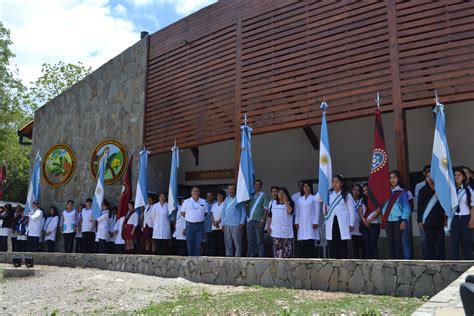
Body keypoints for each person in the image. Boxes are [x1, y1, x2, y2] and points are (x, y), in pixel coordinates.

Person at [323, 175, 355, 259]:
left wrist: (351, 223)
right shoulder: (329, 194)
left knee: (342, 242)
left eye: (337, 182)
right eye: (333, 182)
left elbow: (352, 210)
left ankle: (342, 260)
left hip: (342, 221)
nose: (335, 184)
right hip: (331, 221)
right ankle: (334, 260)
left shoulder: (347, 195)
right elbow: (325, 208)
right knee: (332, 242)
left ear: (341, 183)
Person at [381, 171, 411, 259]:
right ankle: (391, 262)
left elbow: (406, 208)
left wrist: (404, 220)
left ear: (398, 179)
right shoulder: (385, 192)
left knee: (398, 242)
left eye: (394, 177)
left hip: (398, 220)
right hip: (388, 220)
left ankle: (398, 263)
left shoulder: (402, 192)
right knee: (390, 242)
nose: (392, 180)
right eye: (390, 178)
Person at [417, 170, 446, 260]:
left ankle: (442, 260)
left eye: (431, 176)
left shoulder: (441, 188)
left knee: (440, 242)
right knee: (430, 242)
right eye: (427, 176)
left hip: (440, 220)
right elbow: (420, 206)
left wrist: (446, 219)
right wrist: (419, 220)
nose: (429, 178)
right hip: (427, 221)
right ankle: (433, 261)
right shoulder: (422, 190)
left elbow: (445, 204)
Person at [450, 167, 474, 260]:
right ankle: (455, 263)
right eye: (455, 175)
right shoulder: (450, 191)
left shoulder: (469, 190)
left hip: (465, 218)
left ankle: (468, 263)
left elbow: (472, 206)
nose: (456, 177)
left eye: (459, 175)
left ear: (463, 177)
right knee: (454, 242)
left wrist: (472, 220)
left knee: (467, 242)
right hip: (454, 218)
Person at [294, 181, 320, 258]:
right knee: (303, 241)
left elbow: (317, 210)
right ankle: (304, 257)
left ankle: (312, 257)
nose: (306, 188)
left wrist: (316, 221)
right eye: (304, 186)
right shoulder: (300, 199)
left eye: (307, 186)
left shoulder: (314, 198)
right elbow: (297, 212)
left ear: (310, 188)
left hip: (311, 222)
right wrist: (296, 222)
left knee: (310, 241)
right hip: (302, 223)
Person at [268, 187, 294, 258]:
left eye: (283, 193)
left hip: (286, 231)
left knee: (286, 253)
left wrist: (286, 202)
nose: (281, 194)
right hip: (275, 231)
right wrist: (268, 226)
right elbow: (270, 216)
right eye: (279, 193)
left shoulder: (290, 202)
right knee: (276, 252)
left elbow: (290, 211)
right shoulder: (273, 203)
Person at [221, 184, 246, 257]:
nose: (231, 191)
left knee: (237, 244)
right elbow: (223, 212)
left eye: (232, 189)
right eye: (229, 189)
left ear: (235, 190)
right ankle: (229, 257)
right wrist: (222, 223)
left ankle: (237, 258)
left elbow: (243, 212)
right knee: (228, 243)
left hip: (236, 224)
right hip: (227, 224)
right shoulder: (226, 199)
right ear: (228, 190)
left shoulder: (239, 199)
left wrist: (241, 223)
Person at [181, 186, 207, 256]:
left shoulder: (203, 201)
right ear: (191, 192)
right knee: (190, 242)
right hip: (190, 224)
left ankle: (197, 259)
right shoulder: (186, 201)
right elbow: (182, 213)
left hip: (200, 225)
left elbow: (205, 213)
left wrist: (198, 218)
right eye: (194, 191)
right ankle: (191, 257)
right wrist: (189, 218)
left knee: (198, 242)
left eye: (197, 191)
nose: (196, 192)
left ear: (199, 192)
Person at [246, 180, 269, 257]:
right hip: (250, 221)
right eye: (255, 184)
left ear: (261, 186)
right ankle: (250, 256)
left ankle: (261, 256)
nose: (256, 186)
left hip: (258, 221)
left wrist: (262, 220)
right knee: (250, 240)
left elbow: (266, 209)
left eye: (258, 184)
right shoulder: (251, 196)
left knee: (260, 240)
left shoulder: (263, 195)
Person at [414, 165, 431, 260]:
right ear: (424, 174)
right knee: (424, 240)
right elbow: (418, 202)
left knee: (435, 240)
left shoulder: (438, 184)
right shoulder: (419, 186)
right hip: (424, 216)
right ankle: (426, 259)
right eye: (427, 173)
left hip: (435, 217)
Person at [360, 184, 381, 259]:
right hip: (364, 225)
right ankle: (368, 261)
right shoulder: (362, 200)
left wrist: (369, 220)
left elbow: (378, 211)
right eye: (364, 190)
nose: (365, 192)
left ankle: (375, 261)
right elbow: (360, 211)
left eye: (366, 189)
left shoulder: (376, 199)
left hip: (374, 224)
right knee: (367, 244)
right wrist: (364, 220)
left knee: (373, 244)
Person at [351, 184, 365, 259]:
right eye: (355, 189)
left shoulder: (362, 200)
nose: (356, 192)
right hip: (353, 227)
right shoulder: (349, 200)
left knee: (363, 247)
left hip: (361, 226)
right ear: (352, 190)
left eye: (358, 190)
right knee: (355, 246)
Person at [210, 190, 226, 256]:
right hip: (214, 227)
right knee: (214, 243)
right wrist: (214, 222)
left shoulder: (225, 204)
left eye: (220, 195)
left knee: (221, 243)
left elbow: (225, 214)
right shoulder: (214, 205)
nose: (219, 197)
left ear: (223, 196)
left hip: (221, 226)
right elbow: (211, 214)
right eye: (218, 196)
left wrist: (218, 221)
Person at [204, 192, 215, 256]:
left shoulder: (216, 203)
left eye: (210, 196)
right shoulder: (204, 204)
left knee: (213, 243)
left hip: (214, 227)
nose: (209, 197)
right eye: (207, 196)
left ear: (213, 196)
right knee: (206, 244)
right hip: (206, 227)